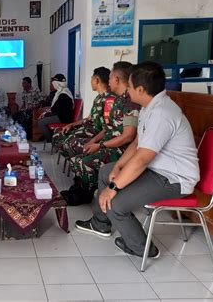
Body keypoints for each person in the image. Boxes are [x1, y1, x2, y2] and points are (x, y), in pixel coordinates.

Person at [75, 61, 199, 260]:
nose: (128, 91)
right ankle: (101, 224)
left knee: (117, 204)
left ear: (140, 89)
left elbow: (141, 159)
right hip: (157, 170)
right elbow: (137, 144)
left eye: (130, 87)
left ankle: (142, 248)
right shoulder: (149, 106)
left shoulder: (162, 114)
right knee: (106, 171)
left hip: (173, 179)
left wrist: (113, 188)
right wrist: (118, 166)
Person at [62, 62, 140, 206]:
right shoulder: (118, 100)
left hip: (121, 149)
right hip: (108, 143)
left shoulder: (131, 103)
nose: (108, 81)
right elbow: (107, 128)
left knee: (82, 162)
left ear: (117, 80)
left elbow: (128, 136)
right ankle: (80, 190)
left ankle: (86, 194)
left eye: (110, 77)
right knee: (78, 157)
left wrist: (100, 145)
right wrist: (93, 142)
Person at [52, 67, 112, 160]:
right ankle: (74, 163)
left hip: (94, 134)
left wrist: (94, 141)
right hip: (87, 129)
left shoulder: (109, 100)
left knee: (68, 142)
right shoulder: (98, 98)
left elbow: (107, 128)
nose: (91, 82)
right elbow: (89, 118)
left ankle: (78, 164)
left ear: (96, 80)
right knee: (59, 134)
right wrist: (72, 124)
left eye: (91, 79)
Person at [37, 74, 74, 143]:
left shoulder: (63, 95)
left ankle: (50, 141)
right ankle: (53, 139)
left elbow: (55, 109)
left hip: (63, 118)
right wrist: (46, 113)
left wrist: (45, 114)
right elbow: (55, 109)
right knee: (43, 119)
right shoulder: (62, 92)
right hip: (60, 116)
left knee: (41, 122)